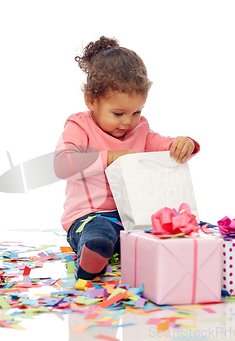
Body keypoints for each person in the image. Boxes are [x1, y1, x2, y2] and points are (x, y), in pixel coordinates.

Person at [55, 36, 200, 280]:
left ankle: (185, 256)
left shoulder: (139, 129)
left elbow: (163, 145)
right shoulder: (80, 125)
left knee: (177, 224)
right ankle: (93, 256)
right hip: (91, 216)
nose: (127, 121)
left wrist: (183, 144)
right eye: (118, 113)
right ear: (92, 100)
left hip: (135, 216)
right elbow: (62, 164)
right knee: (99, 232)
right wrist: (110, 156)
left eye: (136, 112)